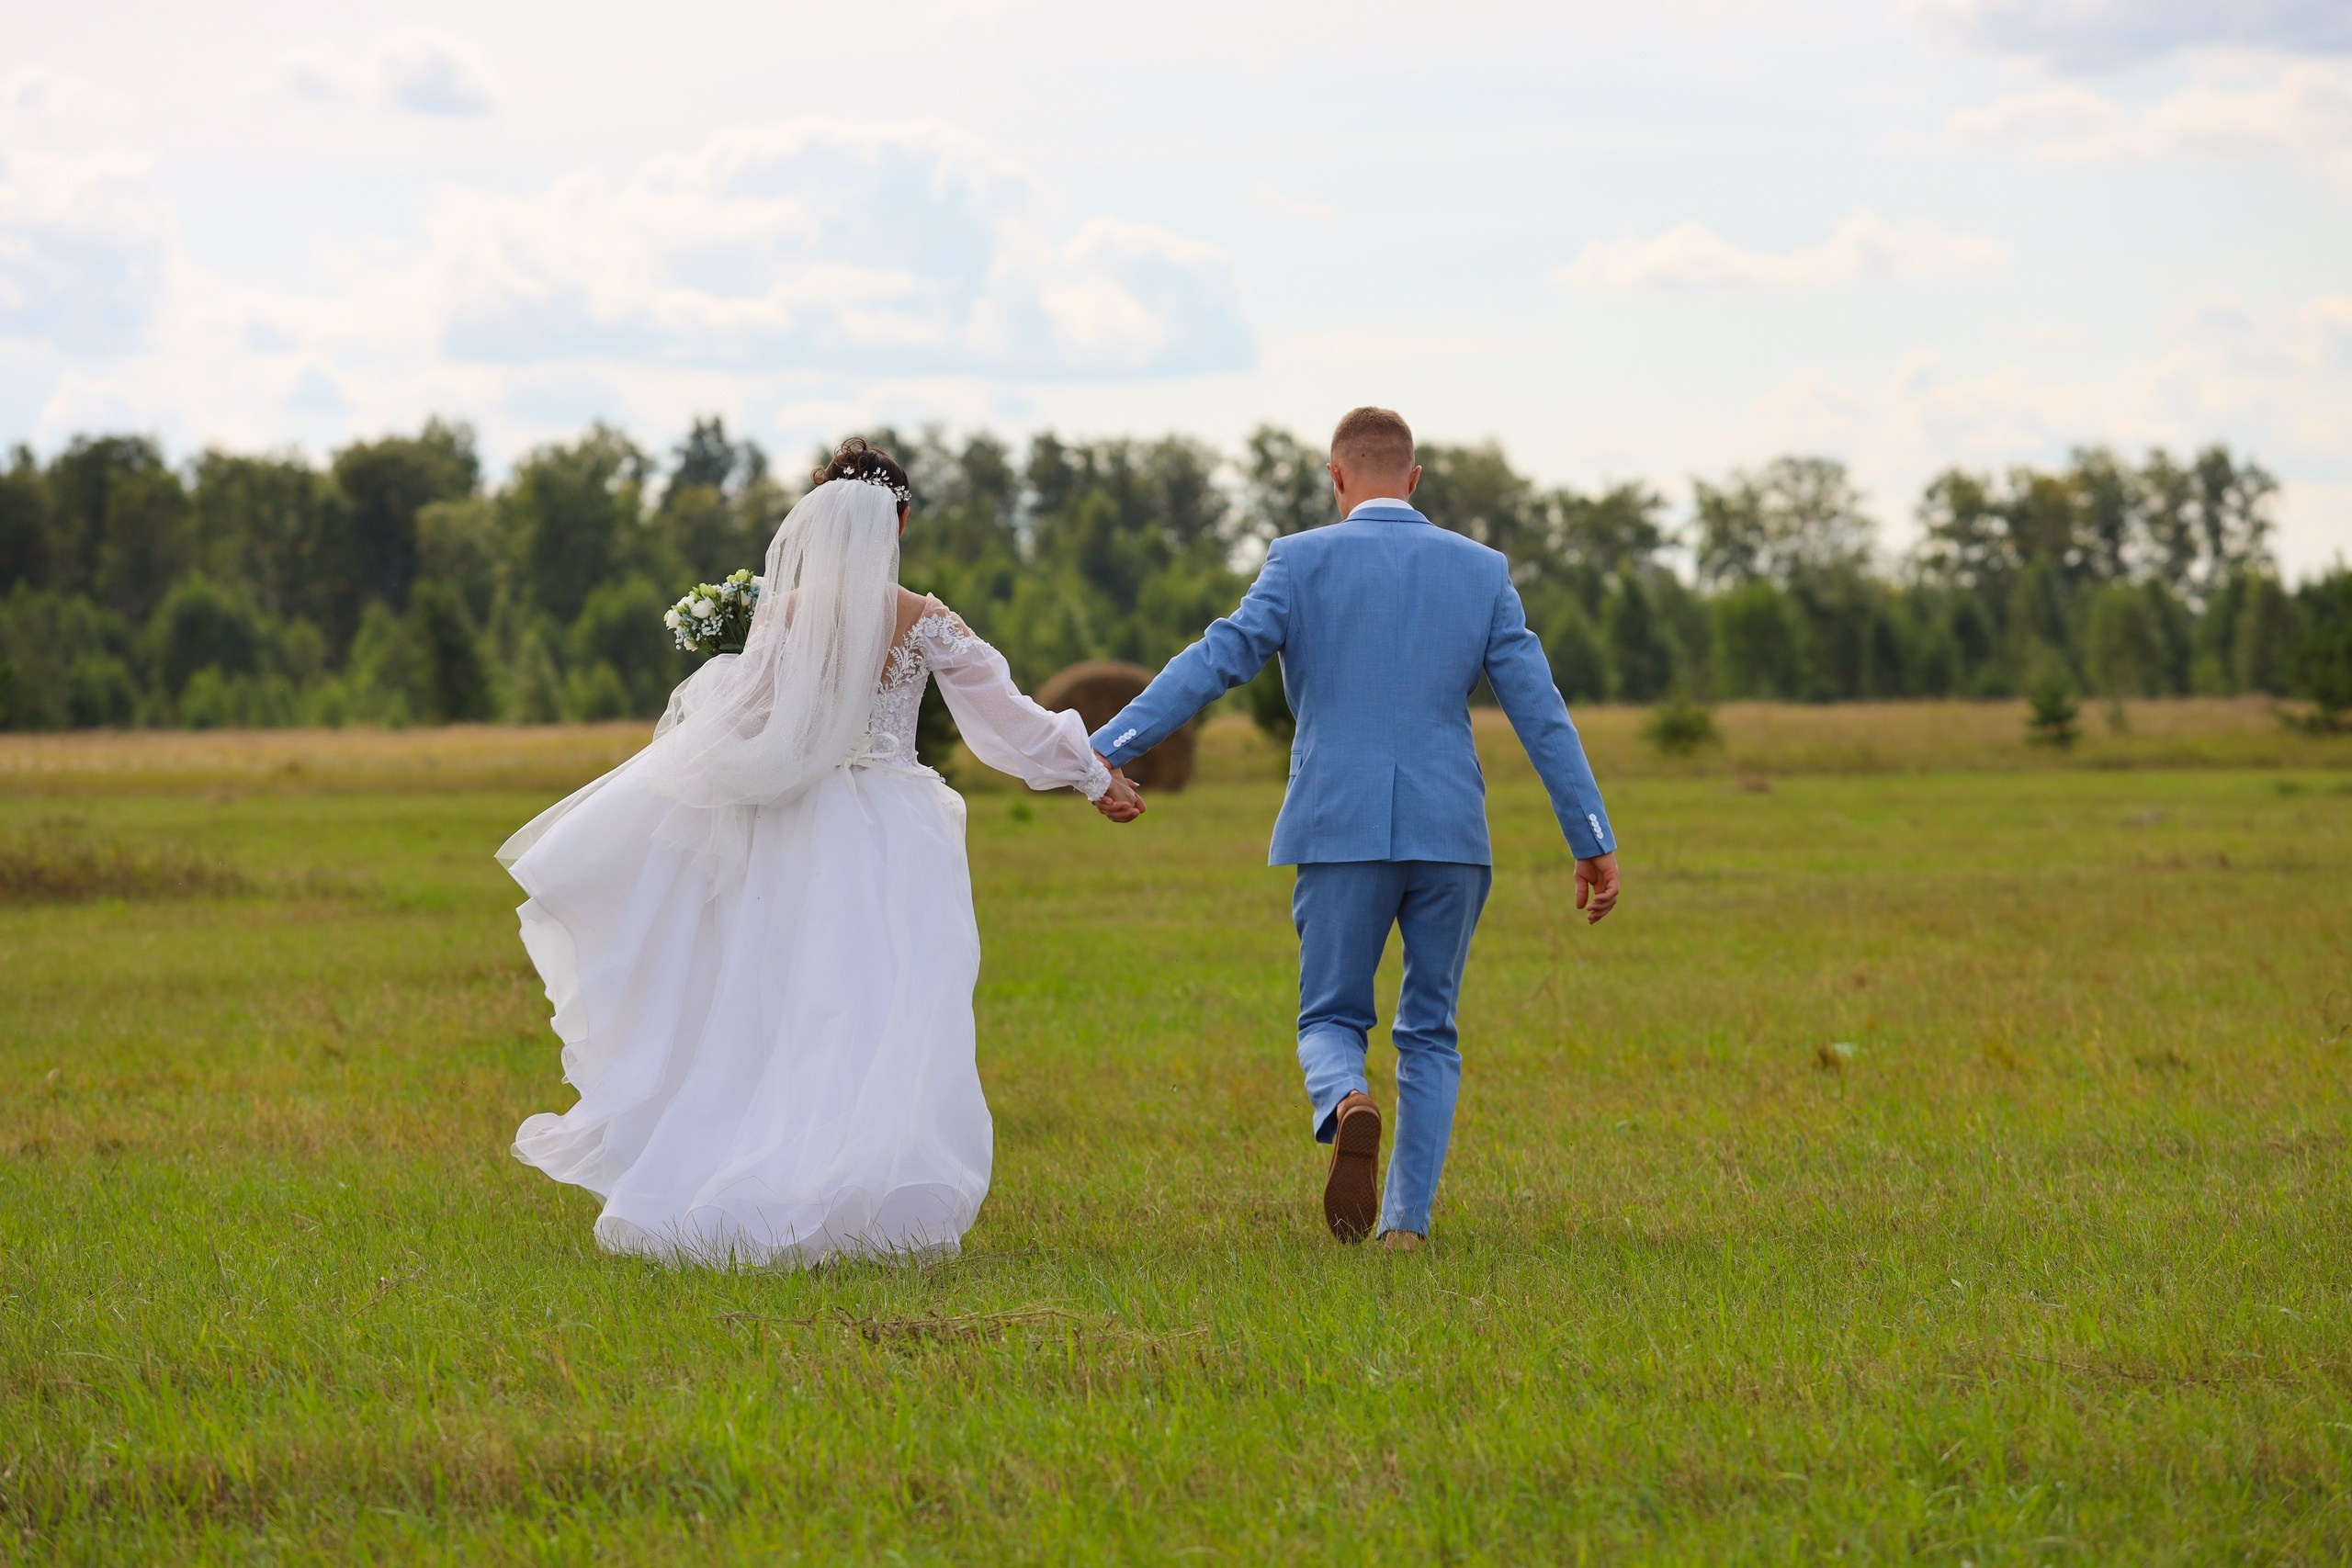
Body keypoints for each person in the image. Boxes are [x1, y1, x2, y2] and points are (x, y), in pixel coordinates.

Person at [498, 437, 1142, 1268]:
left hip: (799, 825)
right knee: (892, 1005)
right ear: (899, 520)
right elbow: (1011, 719)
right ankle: (870, 1191)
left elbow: (747, 722)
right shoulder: (925, 618)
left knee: (789, 1004)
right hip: (898, 830)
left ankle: (786, 1173)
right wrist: (1094, 778)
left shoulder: (784, 615)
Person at [1089, 407, 1619, 1250]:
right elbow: (1540, 713)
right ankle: (1407, 1227)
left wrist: (1102, 749)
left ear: (1337, 477)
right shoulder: (1481, 571)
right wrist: (1590, 834)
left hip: (1337, 823)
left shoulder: (1298, 561)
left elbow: (1215, 659)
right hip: (1452, 832)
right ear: (1413, 480)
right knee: (1431, 1028)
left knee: (1331, 1015)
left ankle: (1345, 1100)